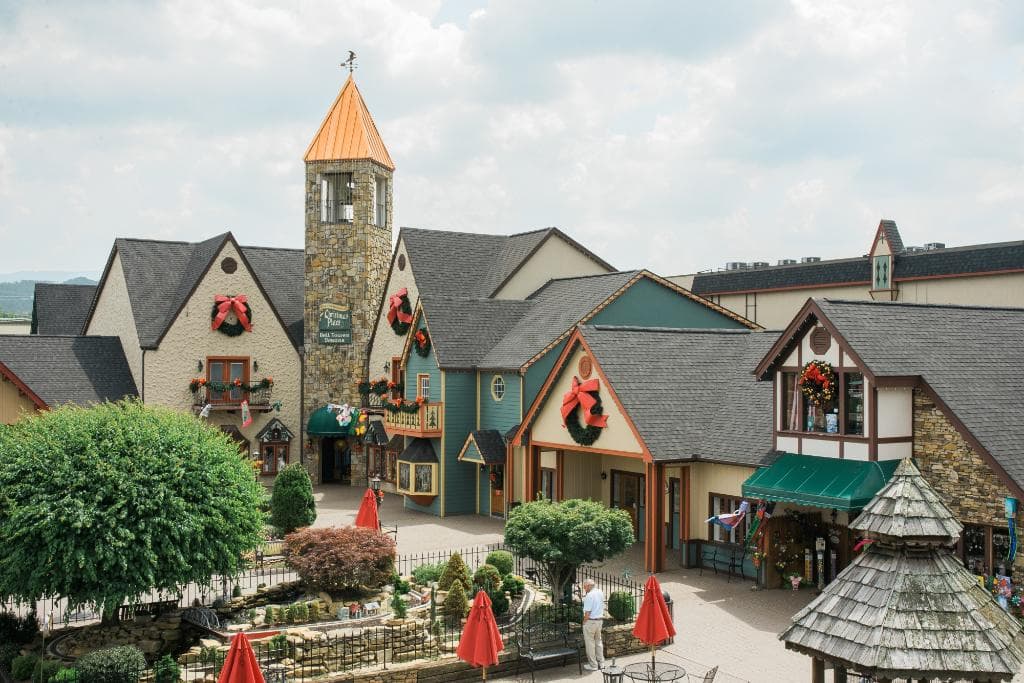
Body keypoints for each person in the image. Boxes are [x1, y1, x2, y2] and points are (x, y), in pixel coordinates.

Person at [581, 578, 606, 671]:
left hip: (591, 621)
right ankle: (601, 663)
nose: (584, 589)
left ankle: (593, 665)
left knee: (590, 644)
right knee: (598, 642)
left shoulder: (589, 595)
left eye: (584, 587)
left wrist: (584, 622)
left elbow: (587, 612)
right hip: (599, 621)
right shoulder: (600, 592)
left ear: (588, 586)